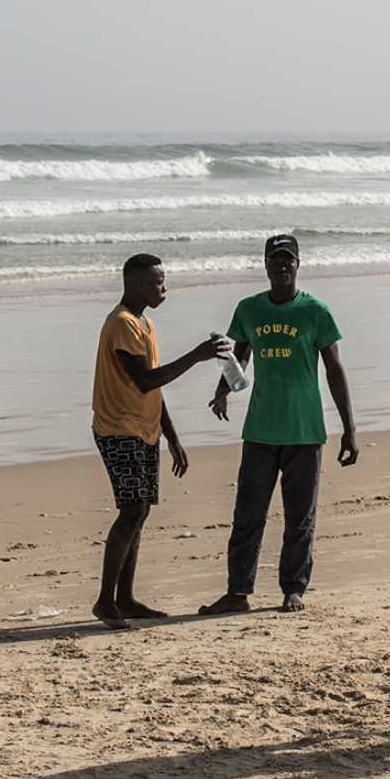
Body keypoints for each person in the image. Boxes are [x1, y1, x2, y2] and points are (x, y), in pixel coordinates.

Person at [200, 234, 358, 617]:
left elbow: (334, 369)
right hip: (260, 431)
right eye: (275, 260)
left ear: (298, 264)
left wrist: (350, 429)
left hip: (305, 431)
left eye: (288, 260)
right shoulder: (249, 309)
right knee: (247, 515)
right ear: (266, 265)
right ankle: (238, 592)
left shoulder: (315, 311)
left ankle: (293, 589)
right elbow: (239, 354)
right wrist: (223, 390)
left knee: (299, 517)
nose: (282, 266)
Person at [91, 253, 231, 628]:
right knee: (132, 509)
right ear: (138, 284)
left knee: (140, 511)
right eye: (157, 282)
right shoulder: (121, 324)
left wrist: (172, 436)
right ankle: (106, 602)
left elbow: (153, 386)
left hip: (144, 428)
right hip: (118, 428)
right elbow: (145, 381)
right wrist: (198, 356)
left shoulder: (144, 323)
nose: (163, 288)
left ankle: (126, 599)